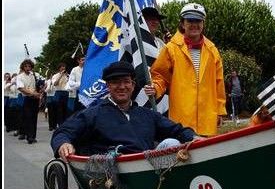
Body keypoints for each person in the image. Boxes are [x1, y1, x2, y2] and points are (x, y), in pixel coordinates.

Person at [51, 61, 198, 160]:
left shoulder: (147, 115)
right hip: (110, 175)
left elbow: (177, 130)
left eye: (126, 82)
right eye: (115, 82)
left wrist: (197, 139)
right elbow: (63, 132)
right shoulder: (92, 114)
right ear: (108, 86)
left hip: (150, 171)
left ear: (133, 85)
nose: (122, 86)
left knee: (172, 143)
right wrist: (64, 144)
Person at [144, 2, 227, 137]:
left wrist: (220, 111)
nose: (194, 24)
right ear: (183, 24)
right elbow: (160, 76)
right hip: (181, 120)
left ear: (203, 24)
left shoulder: (213, 50)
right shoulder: (171, 48)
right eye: (190, 20)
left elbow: (219, 83)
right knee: (183, 156)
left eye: (198, 21)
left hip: (207, 119)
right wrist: (156, 88)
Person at [16, 59, 42, 144]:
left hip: (35, 99)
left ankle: (33, 136)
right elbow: (21, 88)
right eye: (26, 66)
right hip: (27, 98)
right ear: (23, 67)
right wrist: (33, 93)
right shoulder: (20, 77)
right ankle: (29, 136)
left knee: (34, 118)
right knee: (28, 117)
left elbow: (38, 85)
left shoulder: (33, 75)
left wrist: (39, 92)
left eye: (29, 66)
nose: (28, 68)